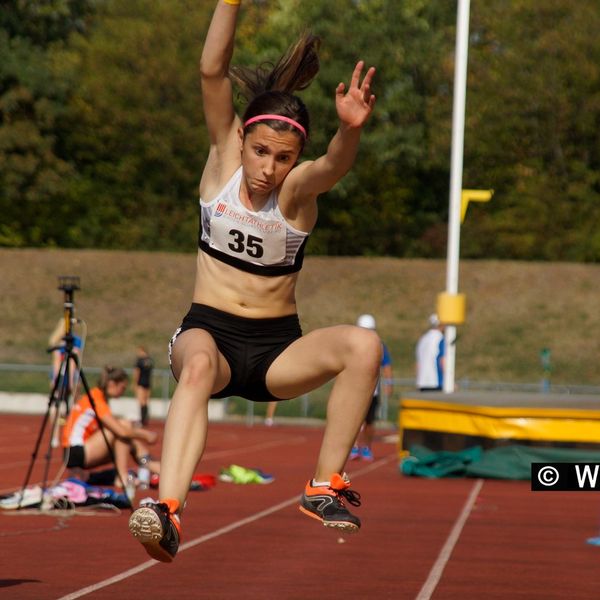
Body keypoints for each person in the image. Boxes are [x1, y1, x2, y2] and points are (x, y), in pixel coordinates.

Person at [128, 0, 378, 563]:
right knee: (194, 368)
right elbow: (212, 71)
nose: (267, 168)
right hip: (209, 335)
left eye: (283, 158)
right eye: (261, 152)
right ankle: (167, 512)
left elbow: (333, 167)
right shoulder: (223, 162)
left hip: (275, 350)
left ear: (296, 158)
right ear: (242, 140)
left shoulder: (296, 194)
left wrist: (350, 130)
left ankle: (323, 485)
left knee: (364, 345)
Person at [61, 366, 160, 488]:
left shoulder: (98, 397)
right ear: (112, 384)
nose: (123, 392)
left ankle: (156, 468)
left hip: (80, 450)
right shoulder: (96, 399)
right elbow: (121, 431)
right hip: (75, 451)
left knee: (129, 439)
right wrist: (145, 434)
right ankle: (123, 477)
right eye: (122, 388)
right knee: (123, 427)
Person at [350, 314, 393, 462]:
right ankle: (354, 446)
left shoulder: (379, 346)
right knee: (354, 421)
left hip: (372, 392)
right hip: (354, 390)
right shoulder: (352, 346)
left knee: (369, 422)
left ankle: (367, 447)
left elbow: (386, 365)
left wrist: (389, 383)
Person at [48, 317, 83, 448]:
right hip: (66, 375)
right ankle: (62, 436)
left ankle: (57, 436)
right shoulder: (62, 341)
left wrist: (55, 380)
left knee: (61, 407)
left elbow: (62, 362)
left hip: (65, 376)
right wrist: (71, 381)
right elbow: (65, 362)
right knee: (64, 407)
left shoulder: (60, 340)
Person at [415, 313, 445, 391]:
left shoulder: (422, 339)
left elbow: (418, 364)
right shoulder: (440, 339)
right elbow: (442, 361)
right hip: (436, 382)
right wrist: (449, 381)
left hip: (422, 383)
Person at [133, 346, 154, 426]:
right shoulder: (150, 361)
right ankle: (145, 420)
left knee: (141, 401)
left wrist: (135, 383)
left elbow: (136, 373)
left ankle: (142, 421)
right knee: (146, 401)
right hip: (148, 382)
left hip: (141, 382)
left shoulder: (139, 361)